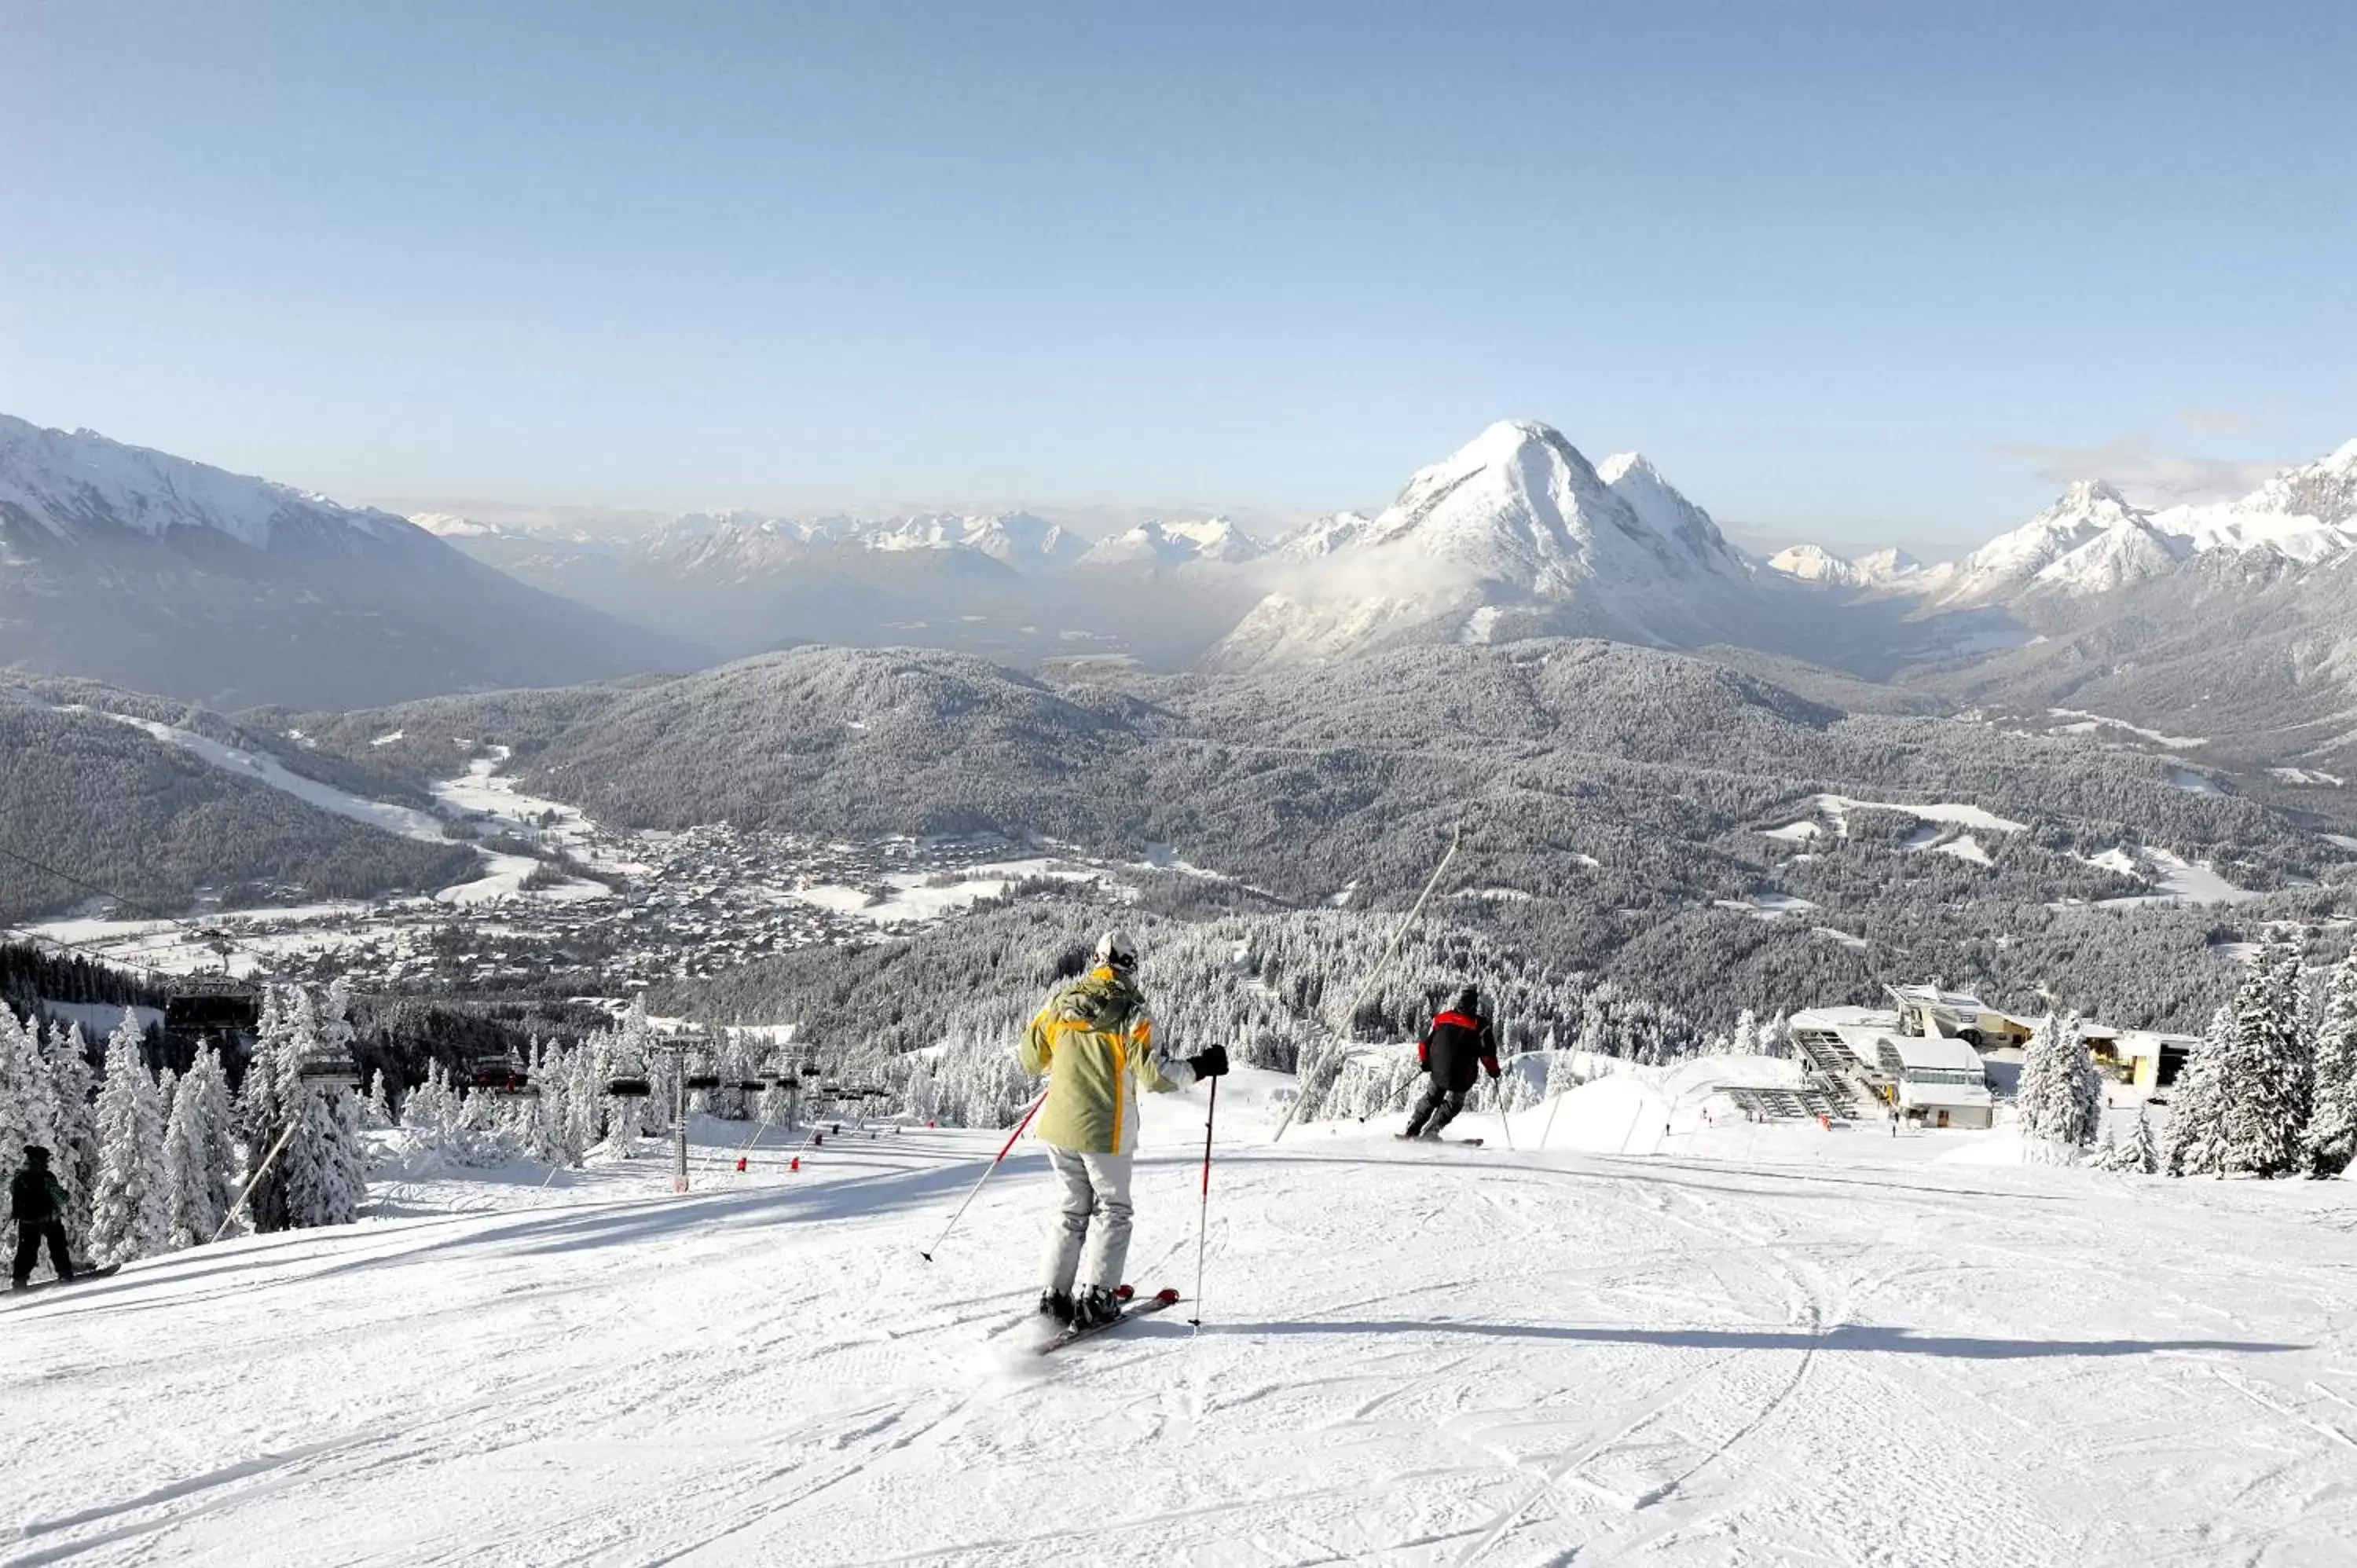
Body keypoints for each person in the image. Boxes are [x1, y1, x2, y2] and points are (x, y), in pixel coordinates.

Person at [1020, 929, 1227, 1330]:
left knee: (1070, 1210)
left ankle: (1053, 1296)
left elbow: (1031, 1058)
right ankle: (1098, 1298)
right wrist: (1202, 1066)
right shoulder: (1133, 1013)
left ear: (1096, 961)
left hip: (1059, 1127)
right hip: (1106, 1130)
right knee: (1113, 1211)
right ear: (1131, 965)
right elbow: (1158, 1077)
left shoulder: (1060, 1004)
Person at [1403, 985, 1500, 1141]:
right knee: (1453, 1104)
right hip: (1461, 1075)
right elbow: (1487, 1054)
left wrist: (1425, 1062)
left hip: (1438, 1071)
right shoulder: (1480, 1025)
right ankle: (1431, 1132)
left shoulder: (1441, 1018)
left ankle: (1412, 1128)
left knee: (1431, 1098)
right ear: (1474, 1005)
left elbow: (1424, 1043)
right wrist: (1493, 1070)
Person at [10, 1145, 75, 1290]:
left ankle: (19, 1280)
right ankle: (65, 1274)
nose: (49, 1162)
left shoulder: (19, 1178)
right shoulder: (47, 1177)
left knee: (26, 1251)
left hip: (27, 1220)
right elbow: (61, 1199)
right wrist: (66, 1195)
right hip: (50, 1218)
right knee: (58, 1246)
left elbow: (15, 1197)